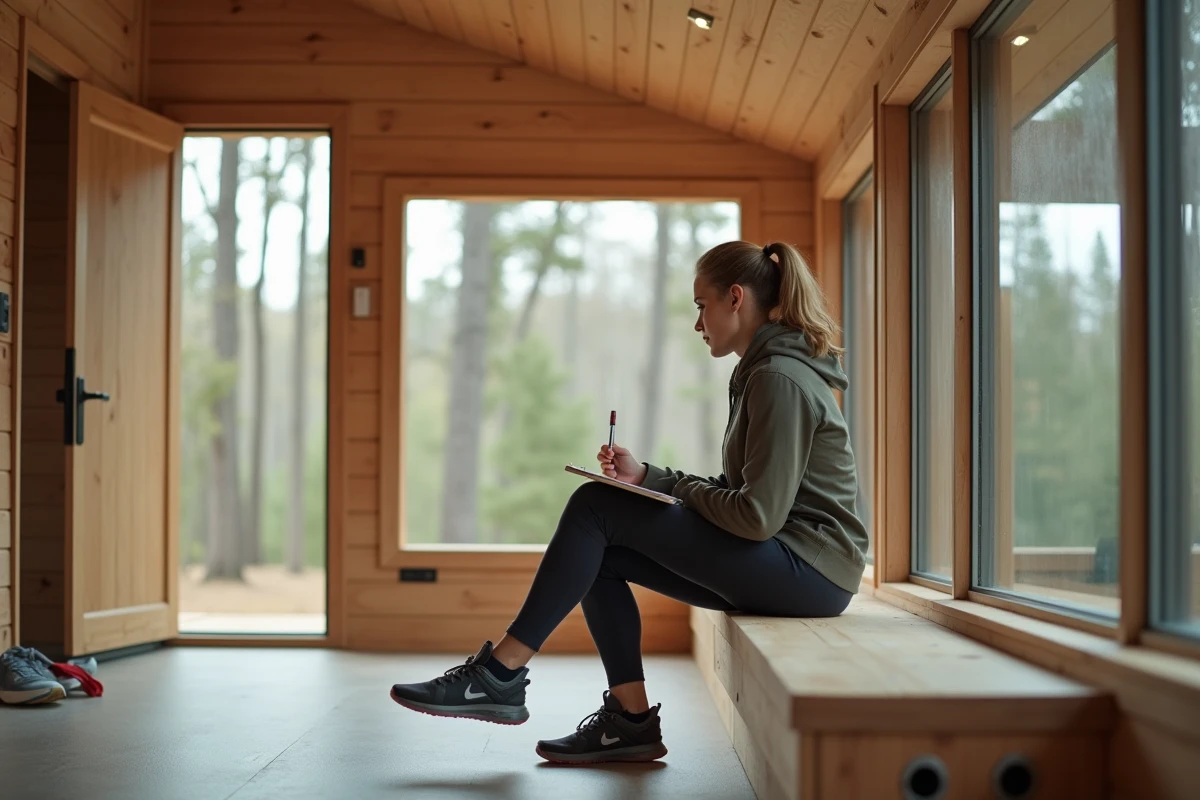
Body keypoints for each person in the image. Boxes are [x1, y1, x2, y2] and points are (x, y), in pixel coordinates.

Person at [389, 240, 869, 765]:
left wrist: (669, 489)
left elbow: (754, 517)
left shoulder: (777, 378)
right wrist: (649, 477)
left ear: (735, 298)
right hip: (791, 561)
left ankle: (498, 675)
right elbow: (743, 497)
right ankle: (630, 722)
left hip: (810, 571)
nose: (697, 322)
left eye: (700, 305)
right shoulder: (761, 372)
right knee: (599, 552)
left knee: (596, 506)